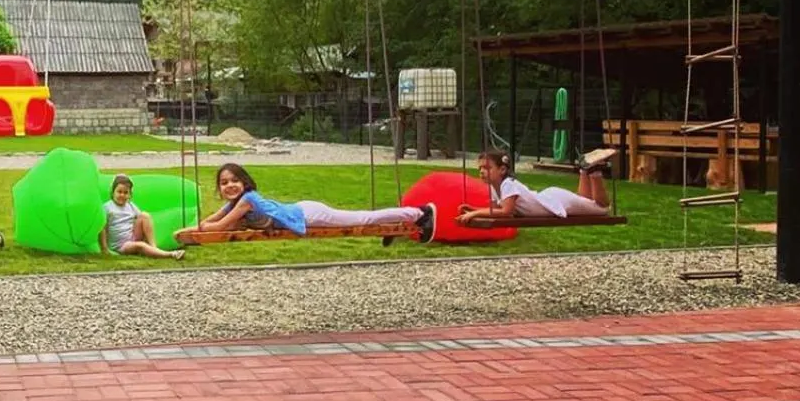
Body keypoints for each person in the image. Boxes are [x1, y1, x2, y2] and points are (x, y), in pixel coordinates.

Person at [191, 162, 436, 243]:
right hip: (301, 210)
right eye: (224, 183)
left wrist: (202, 228)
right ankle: (399, 221)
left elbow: (217, 226)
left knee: (364, 218)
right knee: (364, 217)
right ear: (220, 189)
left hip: (309, 214)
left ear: (245, 183)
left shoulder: (247, 200)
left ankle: (419, 213)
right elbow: (213, 220)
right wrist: (201, 225)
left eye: (235, 180)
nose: (229, 186)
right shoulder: (235, 203)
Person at [457, 147, 614, 225]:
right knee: (585, 201)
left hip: (556, 201)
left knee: (602, 209)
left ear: (502, 170)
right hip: (549, 197)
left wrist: (473, 214)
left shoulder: (508, 185)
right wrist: (474, 210)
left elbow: (506, 212)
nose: (482, 172)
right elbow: (494, 212)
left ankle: (594, 172)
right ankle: (584, 169)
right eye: (480, 169)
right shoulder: (494, 187)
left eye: (487, 168)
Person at [99, 175, 185, 260]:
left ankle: (153, 247)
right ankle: (171, 254)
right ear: (113, 192)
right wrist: (104, 248)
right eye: (119, 192)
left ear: (130, 194)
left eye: (125, 193)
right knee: (140, 245)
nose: (122, 195)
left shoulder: (130, 205)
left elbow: (140, 218)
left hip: (132, 237)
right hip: (121, 245)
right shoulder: (107, 207)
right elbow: (103, 228)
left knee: (145, 215)